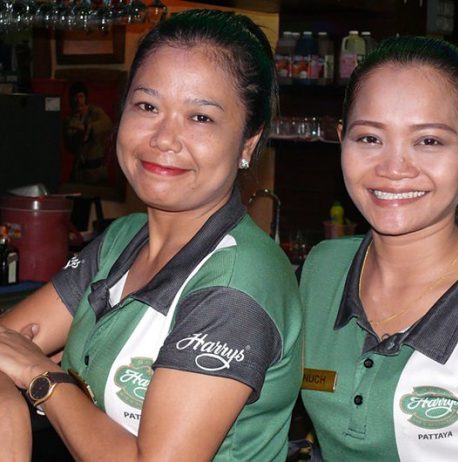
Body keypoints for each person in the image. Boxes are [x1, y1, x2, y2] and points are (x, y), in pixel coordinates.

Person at [0, 9, 302, 461]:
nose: (164, 138)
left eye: (200, 117)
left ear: (247, 143)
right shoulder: (124, 238)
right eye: (147, 106)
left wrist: (40, 376)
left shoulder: (237, 287)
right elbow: (7, 341)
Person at [300, 36, 458, 461]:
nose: (393, 168)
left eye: (428, 141)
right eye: (369, 138)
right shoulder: (322, 270)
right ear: (342, 139)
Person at [64, 81, 113, 184]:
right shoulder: (69, 119)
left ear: (85, 98)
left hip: (97, 170)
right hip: (79, 171)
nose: (78, 100)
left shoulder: (95, 112)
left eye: (81, 96)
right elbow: (69, 145)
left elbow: (107, 123)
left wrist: (87, 128)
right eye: (75, 97)